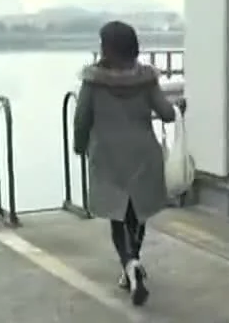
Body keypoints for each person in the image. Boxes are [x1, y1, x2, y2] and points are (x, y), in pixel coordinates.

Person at [72, 20, 177, 307]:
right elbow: (167, 113)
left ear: (106, 48)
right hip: (143, 154)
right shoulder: (146, 79)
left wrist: (80, 146)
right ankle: (133, 265)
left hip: (107, 156)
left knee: (118, 216)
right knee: (137, 212)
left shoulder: (93, 81)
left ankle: (130, 264)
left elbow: (81, 119)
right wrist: (176, 108)